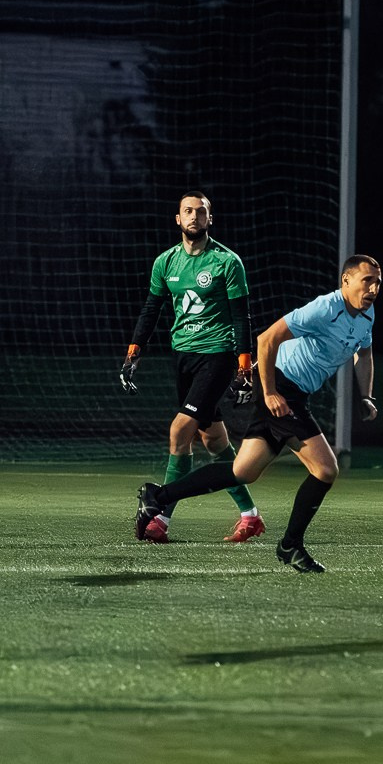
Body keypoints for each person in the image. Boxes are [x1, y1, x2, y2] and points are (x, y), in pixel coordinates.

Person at [134, 255, 382, 574]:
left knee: (243, 471)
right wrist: (270, 392)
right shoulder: (325, 309)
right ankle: (290, 545)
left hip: (292, 393)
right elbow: (266, 339)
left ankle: (158, 495)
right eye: (367, 281)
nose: (374, 288)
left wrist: (366, 395)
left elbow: (364, 352)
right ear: (346, 280)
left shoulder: (366, 314)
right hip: (283, 389)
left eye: (378, 282)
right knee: (325, 469)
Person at [118, 189, 263, 543]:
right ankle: (250, 516)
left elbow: (240, 317)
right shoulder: (165, 263)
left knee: (179, 431)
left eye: (201, 211)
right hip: (182, 356)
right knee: (213, 440)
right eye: (188, 211)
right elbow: (151, 310)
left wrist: (243, 366)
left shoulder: (227, 262)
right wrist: (134, 351)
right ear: (178, 220)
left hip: (217, 355)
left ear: (209, 219)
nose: (194, 216)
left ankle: (160, 515)